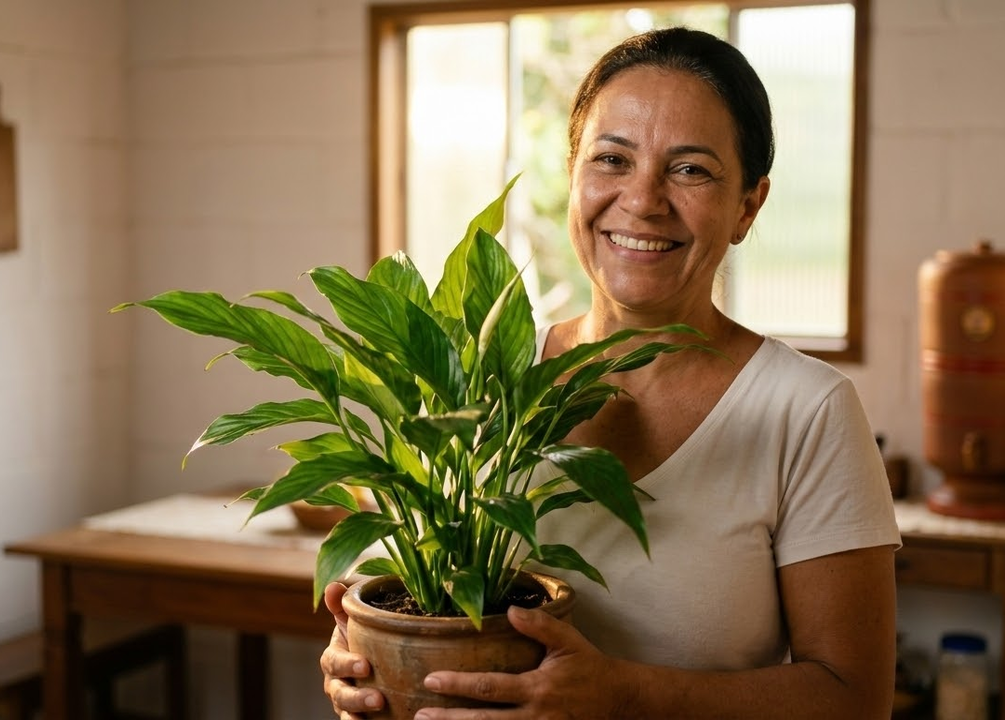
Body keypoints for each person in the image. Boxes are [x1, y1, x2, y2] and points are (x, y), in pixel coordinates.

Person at [321, 25, 900, 720]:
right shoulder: (477, 378)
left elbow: (854, 699)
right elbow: (414, 596)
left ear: (748, 205)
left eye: (690, 170)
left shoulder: (807, 411)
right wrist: (365, 661)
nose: (643, 199)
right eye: (612, 159)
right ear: (573, 176)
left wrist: (621, 695)